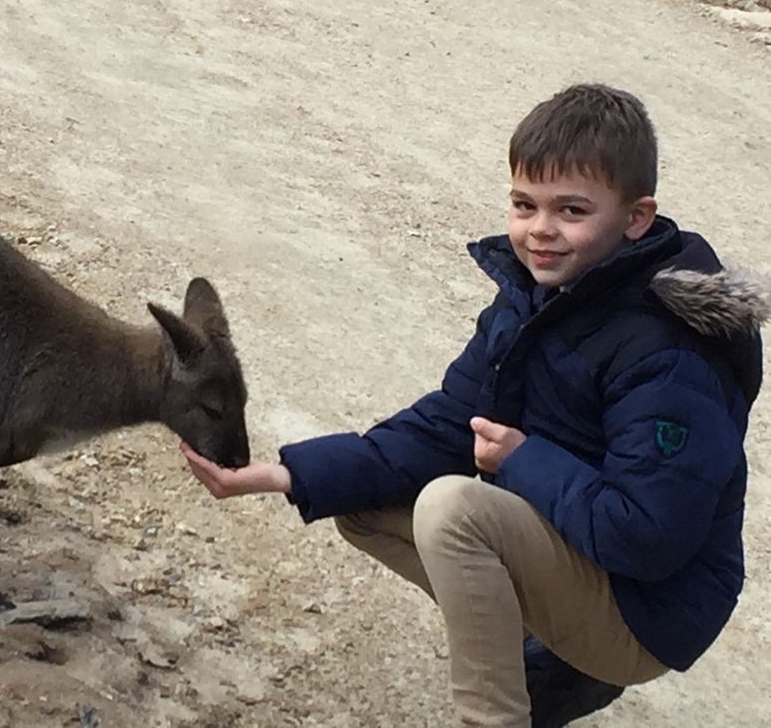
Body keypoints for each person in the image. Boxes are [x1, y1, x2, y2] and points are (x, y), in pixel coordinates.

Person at [181, 83, 767, 727]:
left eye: (572, 210)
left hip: (646, 611)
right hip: (585, 553)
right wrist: (288, 474)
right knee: (363, 504)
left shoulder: (669, 354)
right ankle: (544, 658)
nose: (540, 230)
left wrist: (521, 459)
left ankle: (507, 710)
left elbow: (647, 538)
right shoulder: (539, 297)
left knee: (452, 509)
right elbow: (447, 423)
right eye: (524, 204)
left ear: (635, 218)